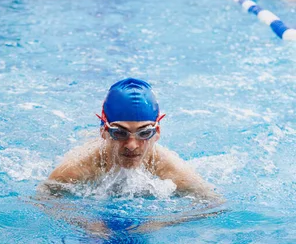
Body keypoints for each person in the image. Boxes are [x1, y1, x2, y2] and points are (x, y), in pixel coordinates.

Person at [45, 78, 221, 202]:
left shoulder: (170, 169)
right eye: (120, 133)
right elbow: (43, 198)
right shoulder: (78, 168)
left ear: (157, 132)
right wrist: (85, 223)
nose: (131, 145)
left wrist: (160, 224)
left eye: (144, 133)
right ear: (104, 132)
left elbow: (215, 205)